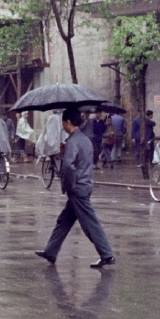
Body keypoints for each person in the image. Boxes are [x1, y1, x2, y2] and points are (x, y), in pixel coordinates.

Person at [35, 107, 115, 269]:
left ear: (68, 122)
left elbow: (69, 167)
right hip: (85, 184)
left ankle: (107, 254)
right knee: (64, 221)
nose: (63, 126)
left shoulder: (72, 141)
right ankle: (51, 251)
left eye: (63, 123)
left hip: (77, 188)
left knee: (90, 224)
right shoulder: (84, 140)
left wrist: (68, 185)